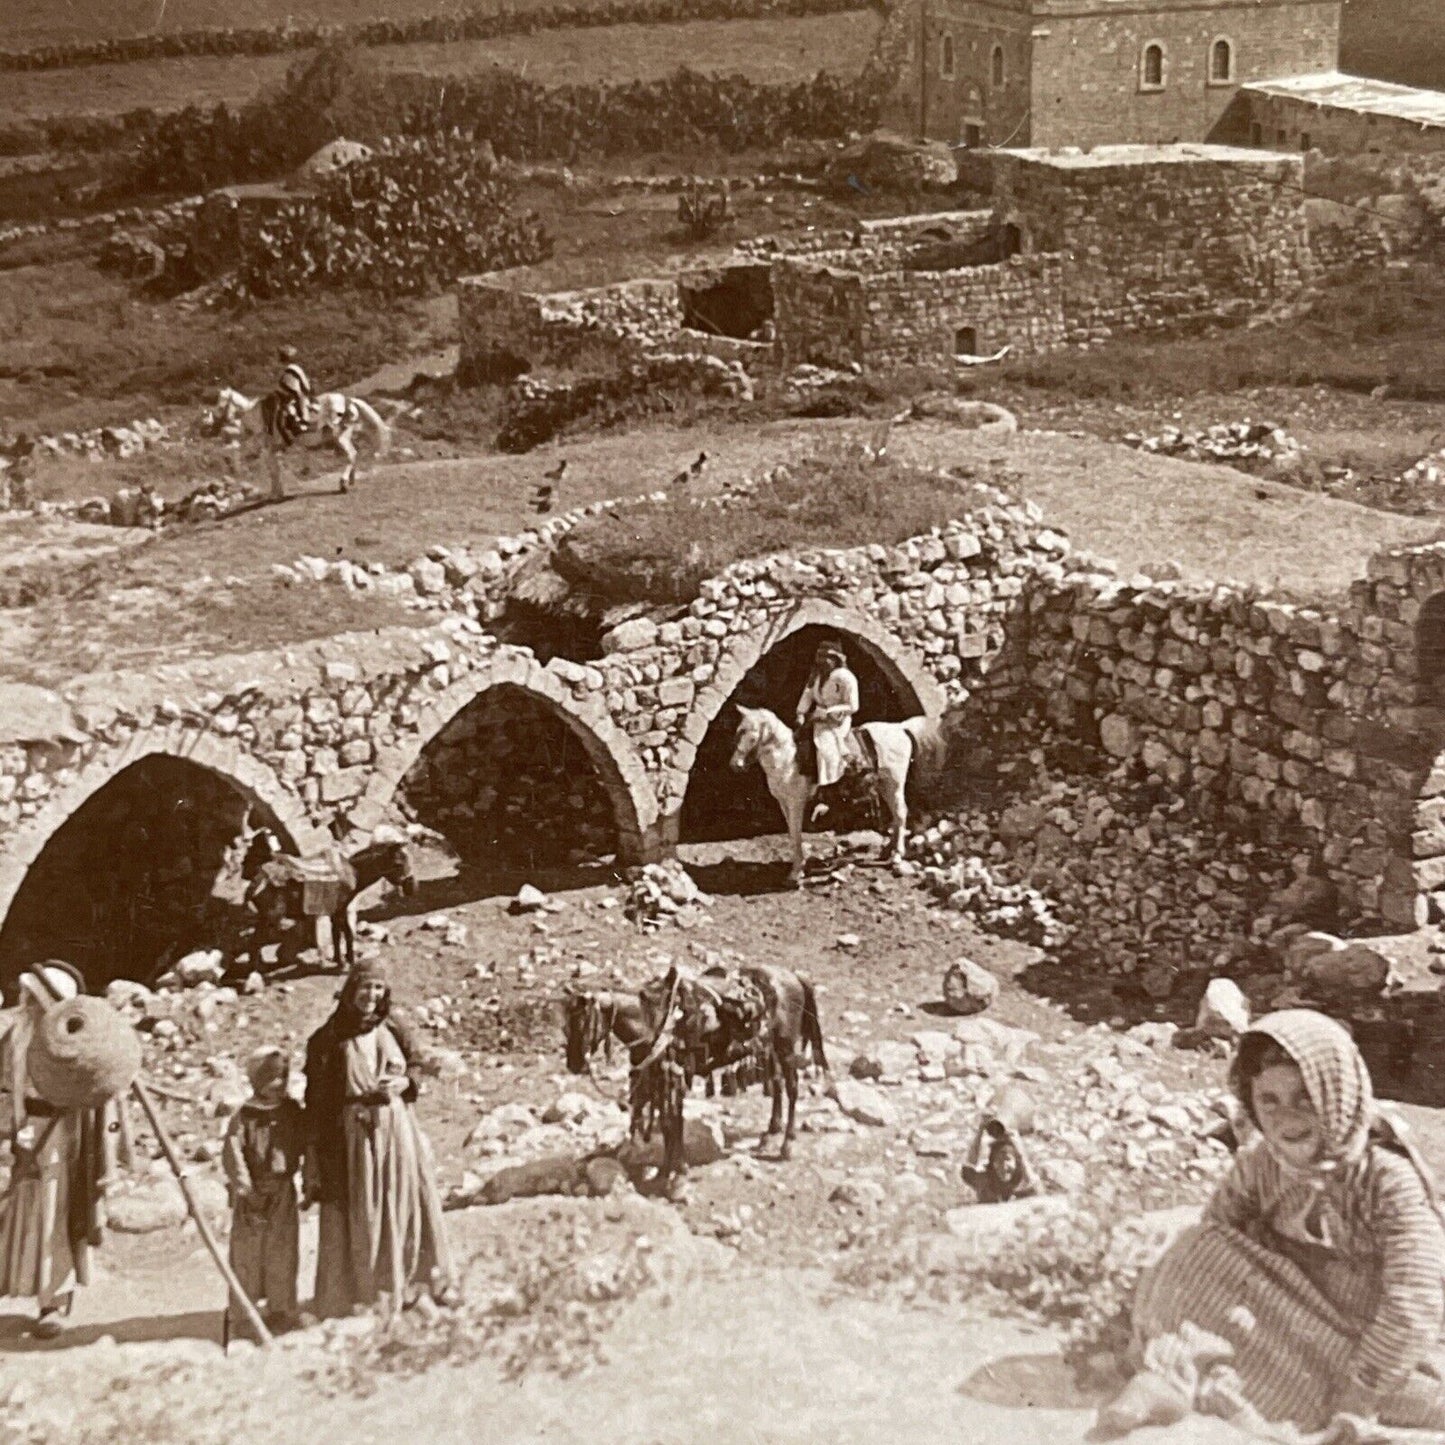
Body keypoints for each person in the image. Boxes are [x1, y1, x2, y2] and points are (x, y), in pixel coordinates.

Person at [1120, 1009, 1445, 1434]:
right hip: (1293, 1324)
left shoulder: (1385, 1179)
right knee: (1195, 1247)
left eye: (1304, 1099)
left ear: (1337, 1098)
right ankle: (1174, 1378)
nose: (1284, 1118)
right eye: (1268, 1101)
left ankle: (1223, 1383)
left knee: (1422, 1400)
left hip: (1378, 1353)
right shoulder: (1262, 1163)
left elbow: (1413, 1300)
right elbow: (1216, 1245)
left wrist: (1362, 1395)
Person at [304, 961, 458, 1319]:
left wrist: (408, 1083)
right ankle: (376, 1290)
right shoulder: (328, 1039)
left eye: (378, 988)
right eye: (364, 987)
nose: (371, 996)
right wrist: (319, 1152)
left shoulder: (393, 1027)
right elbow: (317, 1101)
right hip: (356, 1135)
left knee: (407, 1198)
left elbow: (417, 1061)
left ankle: (420, 1281)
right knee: (368, 1206)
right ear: (350, 990)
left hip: (397, 1125)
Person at [0, 962, 131, 1339]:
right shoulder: (13, 1034)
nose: (22, 1000)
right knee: (15, 1212)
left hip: (59, 1134)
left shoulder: (73, 1041)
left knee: (54, 1216)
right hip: (16, 1131)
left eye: (30, 995)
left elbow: (98, 1091)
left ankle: (53, 1302)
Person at [222, 1046, 306, 1337]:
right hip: (252, 1196)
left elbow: (306, 1145)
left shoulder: (292, 1111)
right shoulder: (244, 1116)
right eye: (272, 1078)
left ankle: (281, 1310)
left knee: (281, 1252)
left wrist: (310, 1178)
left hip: (282, 1191)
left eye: (283, 1077)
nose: (279, 1085)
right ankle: (244, 1315)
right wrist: (244, 1187)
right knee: (248, 1254)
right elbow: (233, 1153)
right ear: (256, 1080)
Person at [794, 640, 859, 789]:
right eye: (821, 657)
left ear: (836, 659)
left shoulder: (844, 677)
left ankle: (830, 784)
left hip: (838, 720)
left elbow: (853, 705)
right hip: (817, 719)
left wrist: (828, 713)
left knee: (826, 746)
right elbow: (808, 694)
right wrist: (800, 713)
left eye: (828, 657)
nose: (824, 661)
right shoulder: (816, 676)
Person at [274, 349, 315, 448]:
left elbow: (297, 387)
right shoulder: (292, 369)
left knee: (286, 413)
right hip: (295, 396)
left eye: (281, 356)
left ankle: (297, 432)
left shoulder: (291, 369)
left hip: (296, 397)